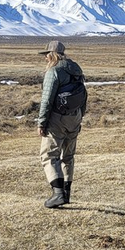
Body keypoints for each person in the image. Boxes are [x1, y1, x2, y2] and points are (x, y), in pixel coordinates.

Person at [36, 40, 86, 208]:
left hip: (58, 118)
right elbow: (83, 95)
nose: (45, 59)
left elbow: (47, 99)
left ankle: (58, 194)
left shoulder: (54, 71)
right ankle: (67, 193)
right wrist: (80, 117)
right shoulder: (76, 69)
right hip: (75, 117)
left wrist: (42, 122)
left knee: (49, 155)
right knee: (68, 156)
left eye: (46, 55)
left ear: (51, 54)